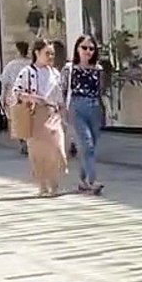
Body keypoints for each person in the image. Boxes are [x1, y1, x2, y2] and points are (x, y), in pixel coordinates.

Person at [12, 40, 68, 197]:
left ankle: (54, 183)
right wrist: (33, 98)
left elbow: (60, 94)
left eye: (52, 54)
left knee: (57, 149)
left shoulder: (55, 73)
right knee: (38, 152)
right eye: (47, 53)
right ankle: (44, 185)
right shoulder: (27, 72)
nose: (50, 57)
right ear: (37, 53)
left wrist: (62, 109)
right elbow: (16, 92)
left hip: (53, 113)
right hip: (35, 113)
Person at [62, 34, 108, 194]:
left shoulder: (98, 69)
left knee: (91, 146)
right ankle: (92, 180)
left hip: (94, 106)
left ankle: (82, 179)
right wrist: (63, 110)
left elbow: (101, 91)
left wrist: (103, 111)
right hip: (77, 106)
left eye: (91, 48)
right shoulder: (70, 68)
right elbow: (62, 89)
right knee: (87, 144)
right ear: (77, 49)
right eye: (84, 48)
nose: (88, 51)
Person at [1, 41, 31, 154]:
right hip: (30, 95)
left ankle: (23, 142)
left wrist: (3, 98)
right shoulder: (32, 64)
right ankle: (29, 142)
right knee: (30, 120)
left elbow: (5, 83)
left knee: (17, 120)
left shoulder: (11, 65)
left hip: (16, 95)